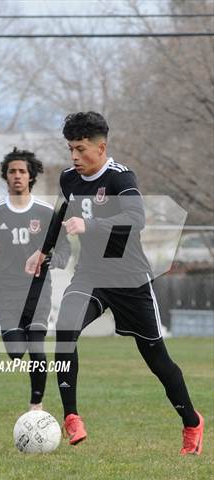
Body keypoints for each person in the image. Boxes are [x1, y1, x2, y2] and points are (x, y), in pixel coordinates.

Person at [26, 111, 204, 455]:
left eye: (80, 149)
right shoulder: (69, 179)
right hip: (91, 276)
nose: (74, 157)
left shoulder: (122, 178)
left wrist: (89, 226)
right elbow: (62, 215)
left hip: (130, 280)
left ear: (101, 146)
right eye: (70, 149)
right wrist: (44, 251)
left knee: (157, 360)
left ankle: (191, 422)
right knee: (65, 329)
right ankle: (72, 416)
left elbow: (135, 219)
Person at [0, 148, 71, 410]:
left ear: (31, 176)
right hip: (7, 290)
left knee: (36, 347)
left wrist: (52, 260)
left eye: (22, 171)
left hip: (39, 291)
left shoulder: (46, 212)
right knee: (16, 353)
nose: (17, 176)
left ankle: (35, 406)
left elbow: (64, 248)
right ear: (5, 175)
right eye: (12, 171)